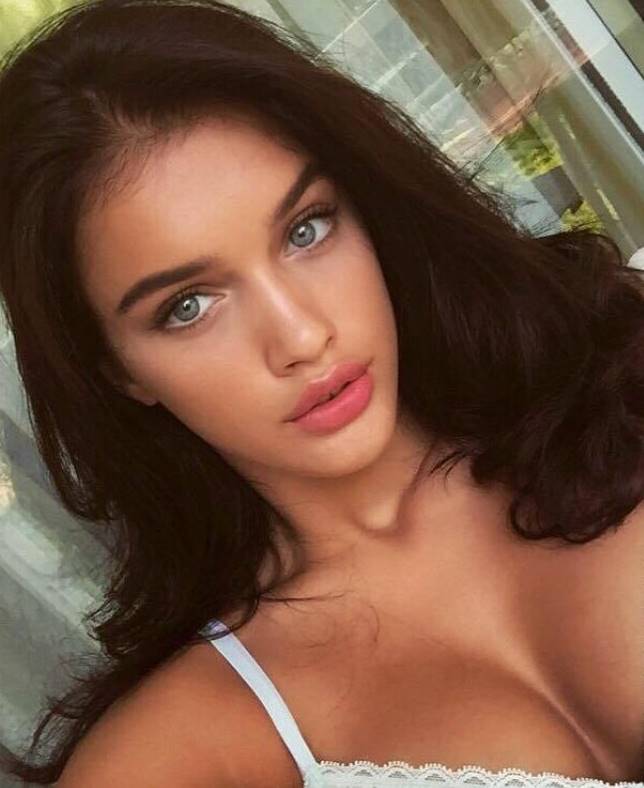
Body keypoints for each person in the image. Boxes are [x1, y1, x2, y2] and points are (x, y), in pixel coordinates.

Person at [0, 0, 642, 785]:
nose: (302, 337)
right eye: (189, 306)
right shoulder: (180, 750)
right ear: (119, 371)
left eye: (306, 230)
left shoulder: (619, 376)